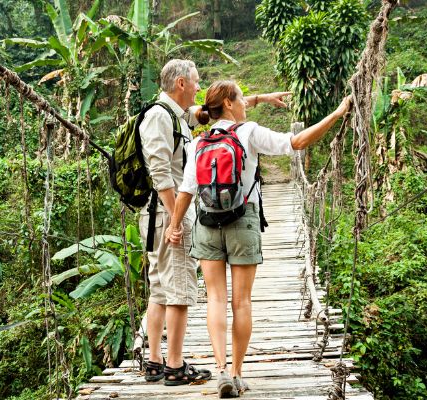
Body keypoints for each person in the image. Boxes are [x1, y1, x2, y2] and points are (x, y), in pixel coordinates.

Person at [164, 80, 350, 397]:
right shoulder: (248, 133)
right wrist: (337, 113)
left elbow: (186, 191)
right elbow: (299, 141)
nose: (246, 104)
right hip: (242, 220)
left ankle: (220, 369)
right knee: (242, 301)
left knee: (216, 300)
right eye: (241, 99)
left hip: (207, 223)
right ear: (228, 104)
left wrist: (174, 225)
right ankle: (237, 373)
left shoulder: (199, 142)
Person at [139, 60, 291, 386]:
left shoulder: (177, 115)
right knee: (178, 290)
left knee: (161, 288)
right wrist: (175, 221)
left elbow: (219, 110)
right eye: (194, 82)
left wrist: (261, 100)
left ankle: (155, 362)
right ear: (181, 83)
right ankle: (175, 367)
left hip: (173, 214)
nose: (198, 88)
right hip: (167, 212)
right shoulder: (158, 116)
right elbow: (162, 175)